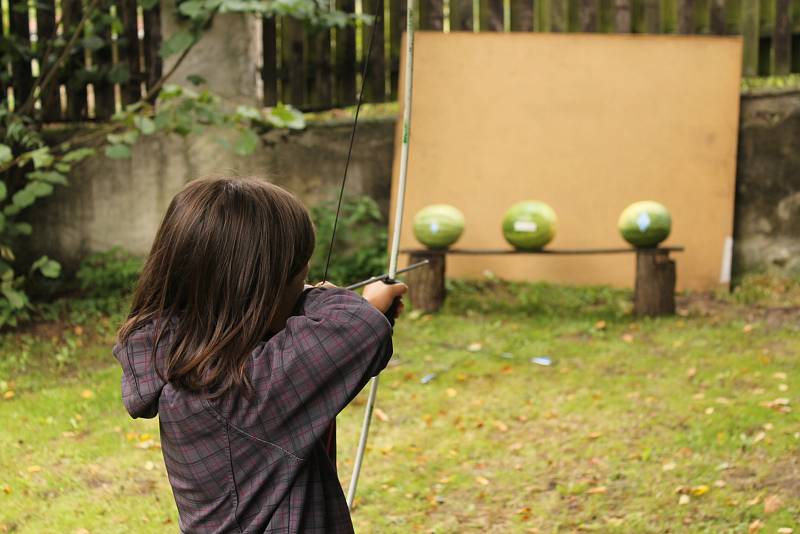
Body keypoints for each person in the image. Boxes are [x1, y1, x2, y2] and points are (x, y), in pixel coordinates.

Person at [113, 177, 407, 533]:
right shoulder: (242, 394)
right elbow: (359, 328)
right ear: (255, 294)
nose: (306, 286)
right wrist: (323, 300)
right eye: (300, 279)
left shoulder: (180, 359)